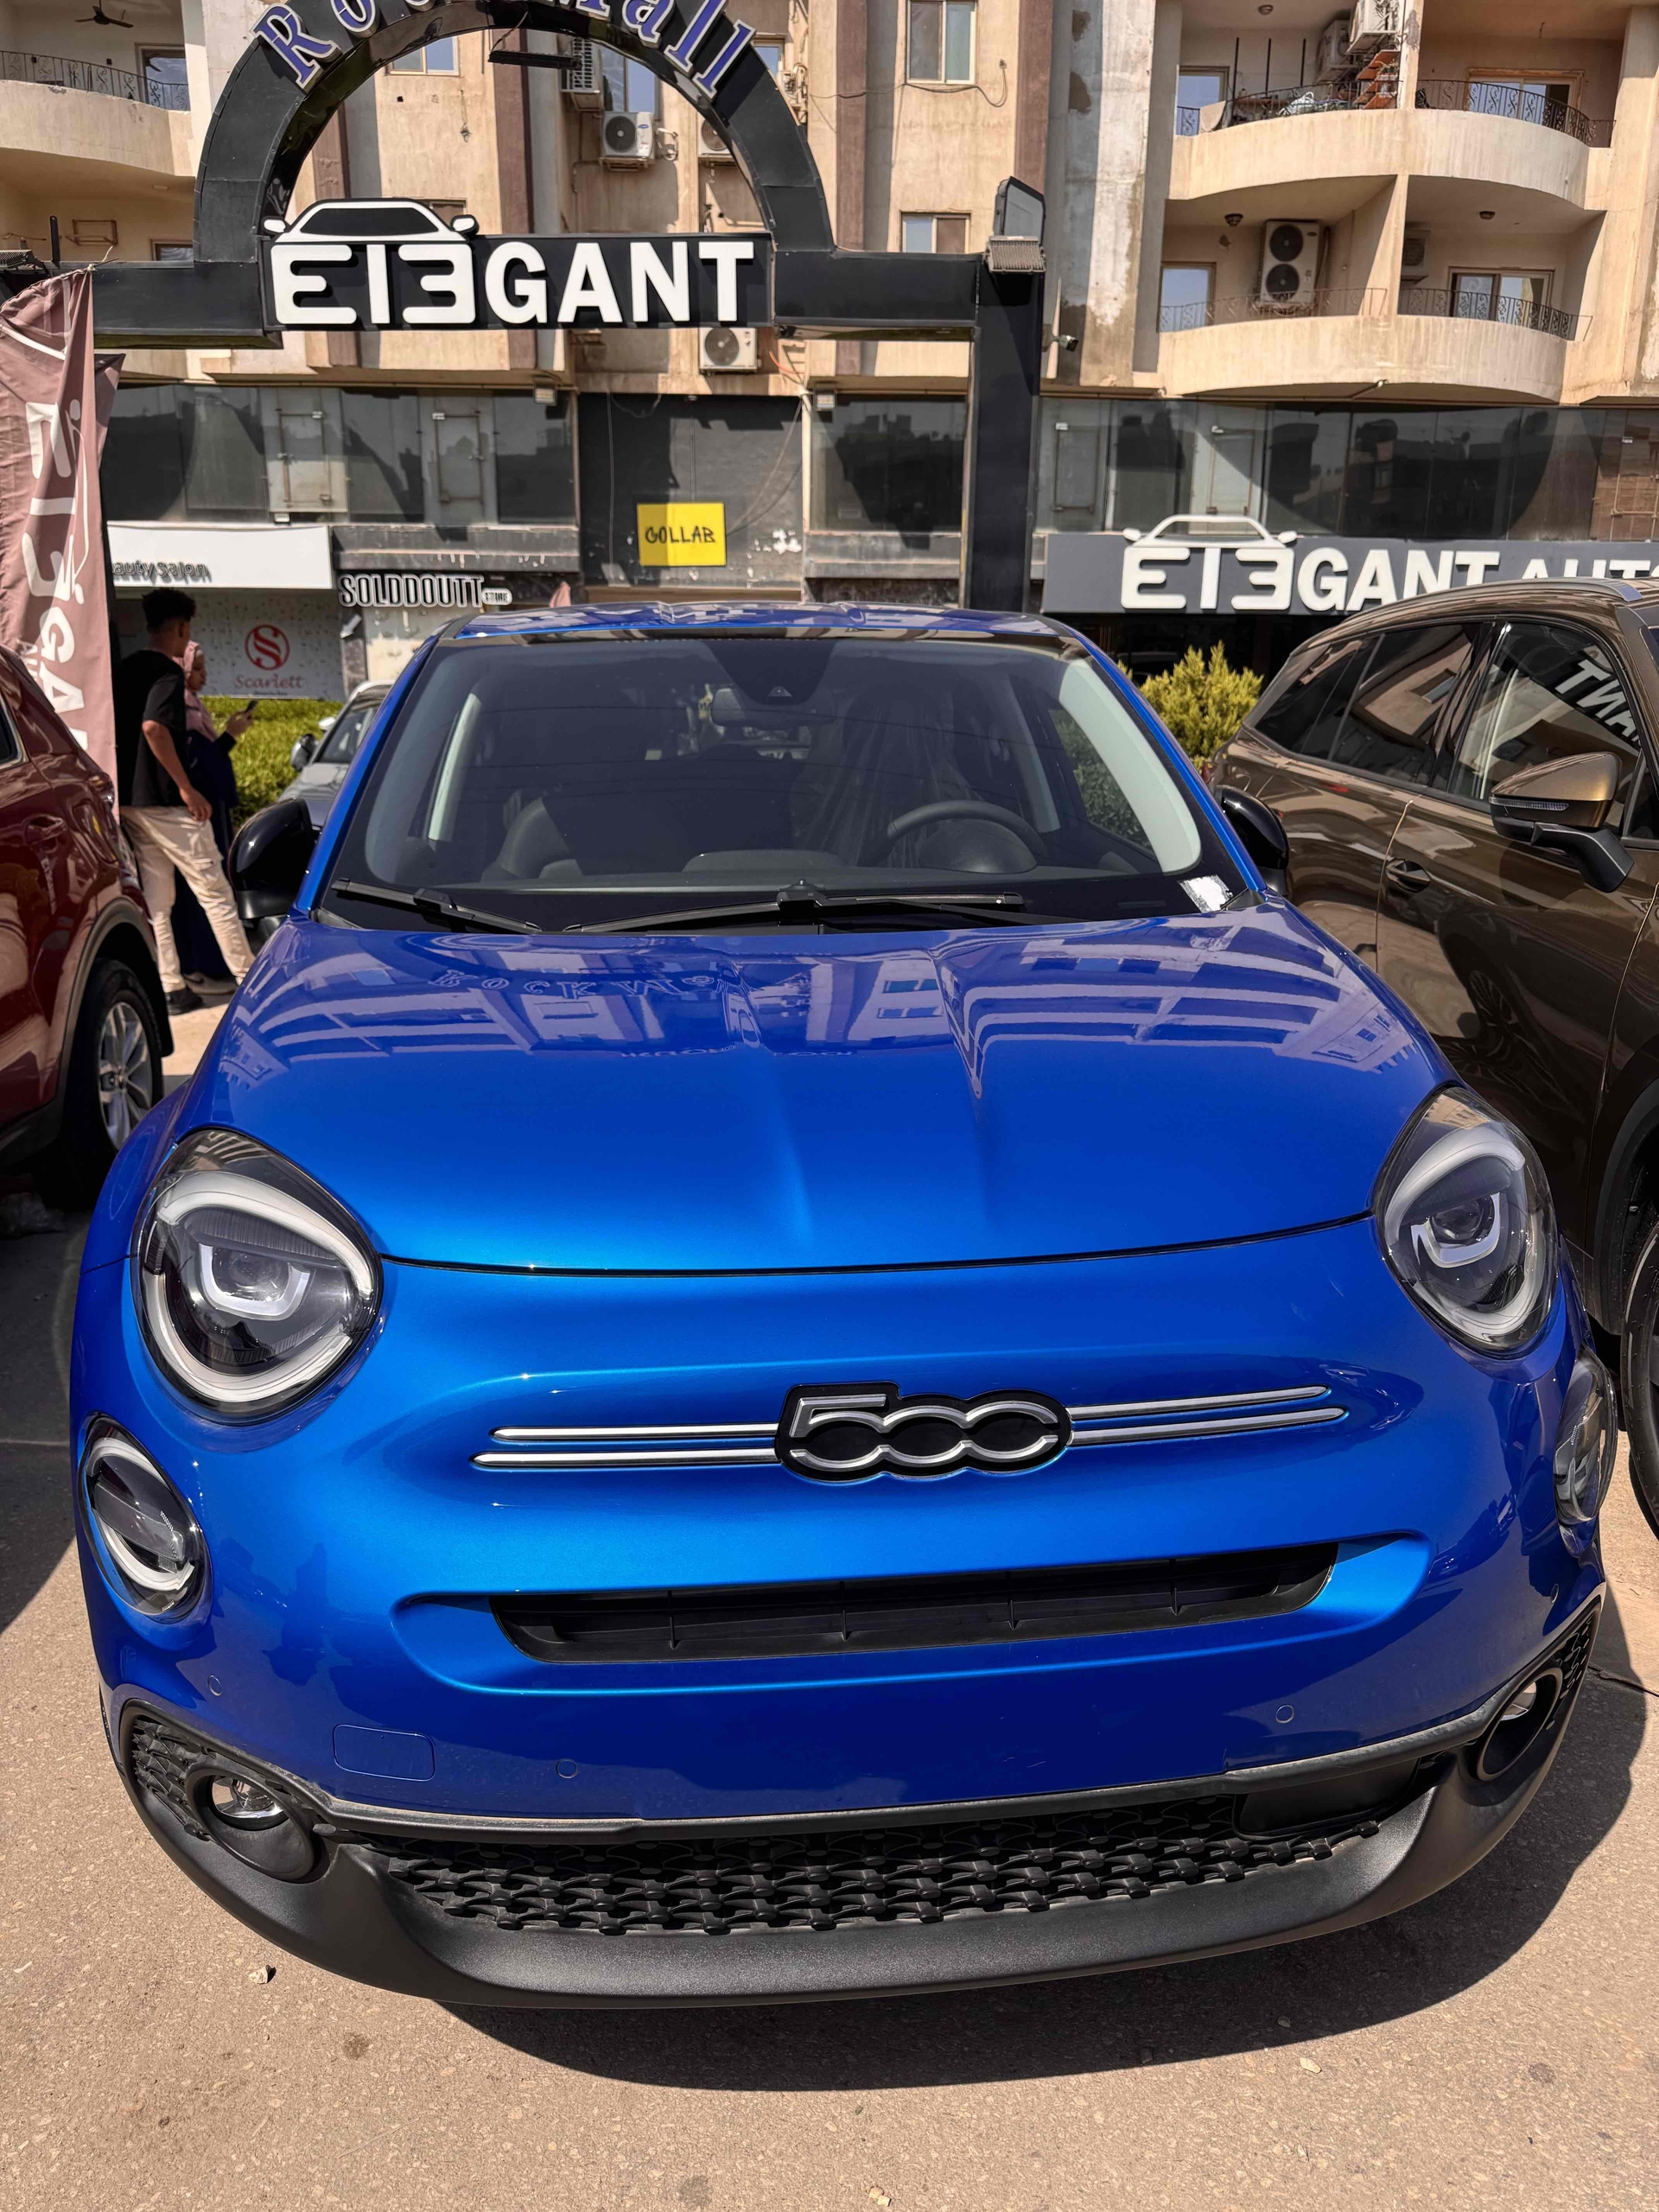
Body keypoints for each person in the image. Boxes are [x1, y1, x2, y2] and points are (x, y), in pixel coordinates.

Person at [114, 588, 254, 1015]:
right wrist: (186, 788)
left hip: (130, 800)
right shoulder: (167, 673)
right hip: (166, 802)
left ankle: (171, 986)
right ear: (180, 628)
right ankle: (249, 980)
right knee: (215, 891)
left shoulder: (124, 668)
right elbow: (154, 727)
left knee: (158, 898)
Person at [168, 643, 251, 988]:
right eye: (198, 668)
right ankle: (209, 963)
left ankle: (209, 962)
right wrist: (230, 736)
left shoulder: (193, 708)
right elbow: (201, 766)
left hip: (208, 809)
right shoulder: (179, 712)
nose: (204, 676)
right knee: (205, 890)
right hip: (197, 813)